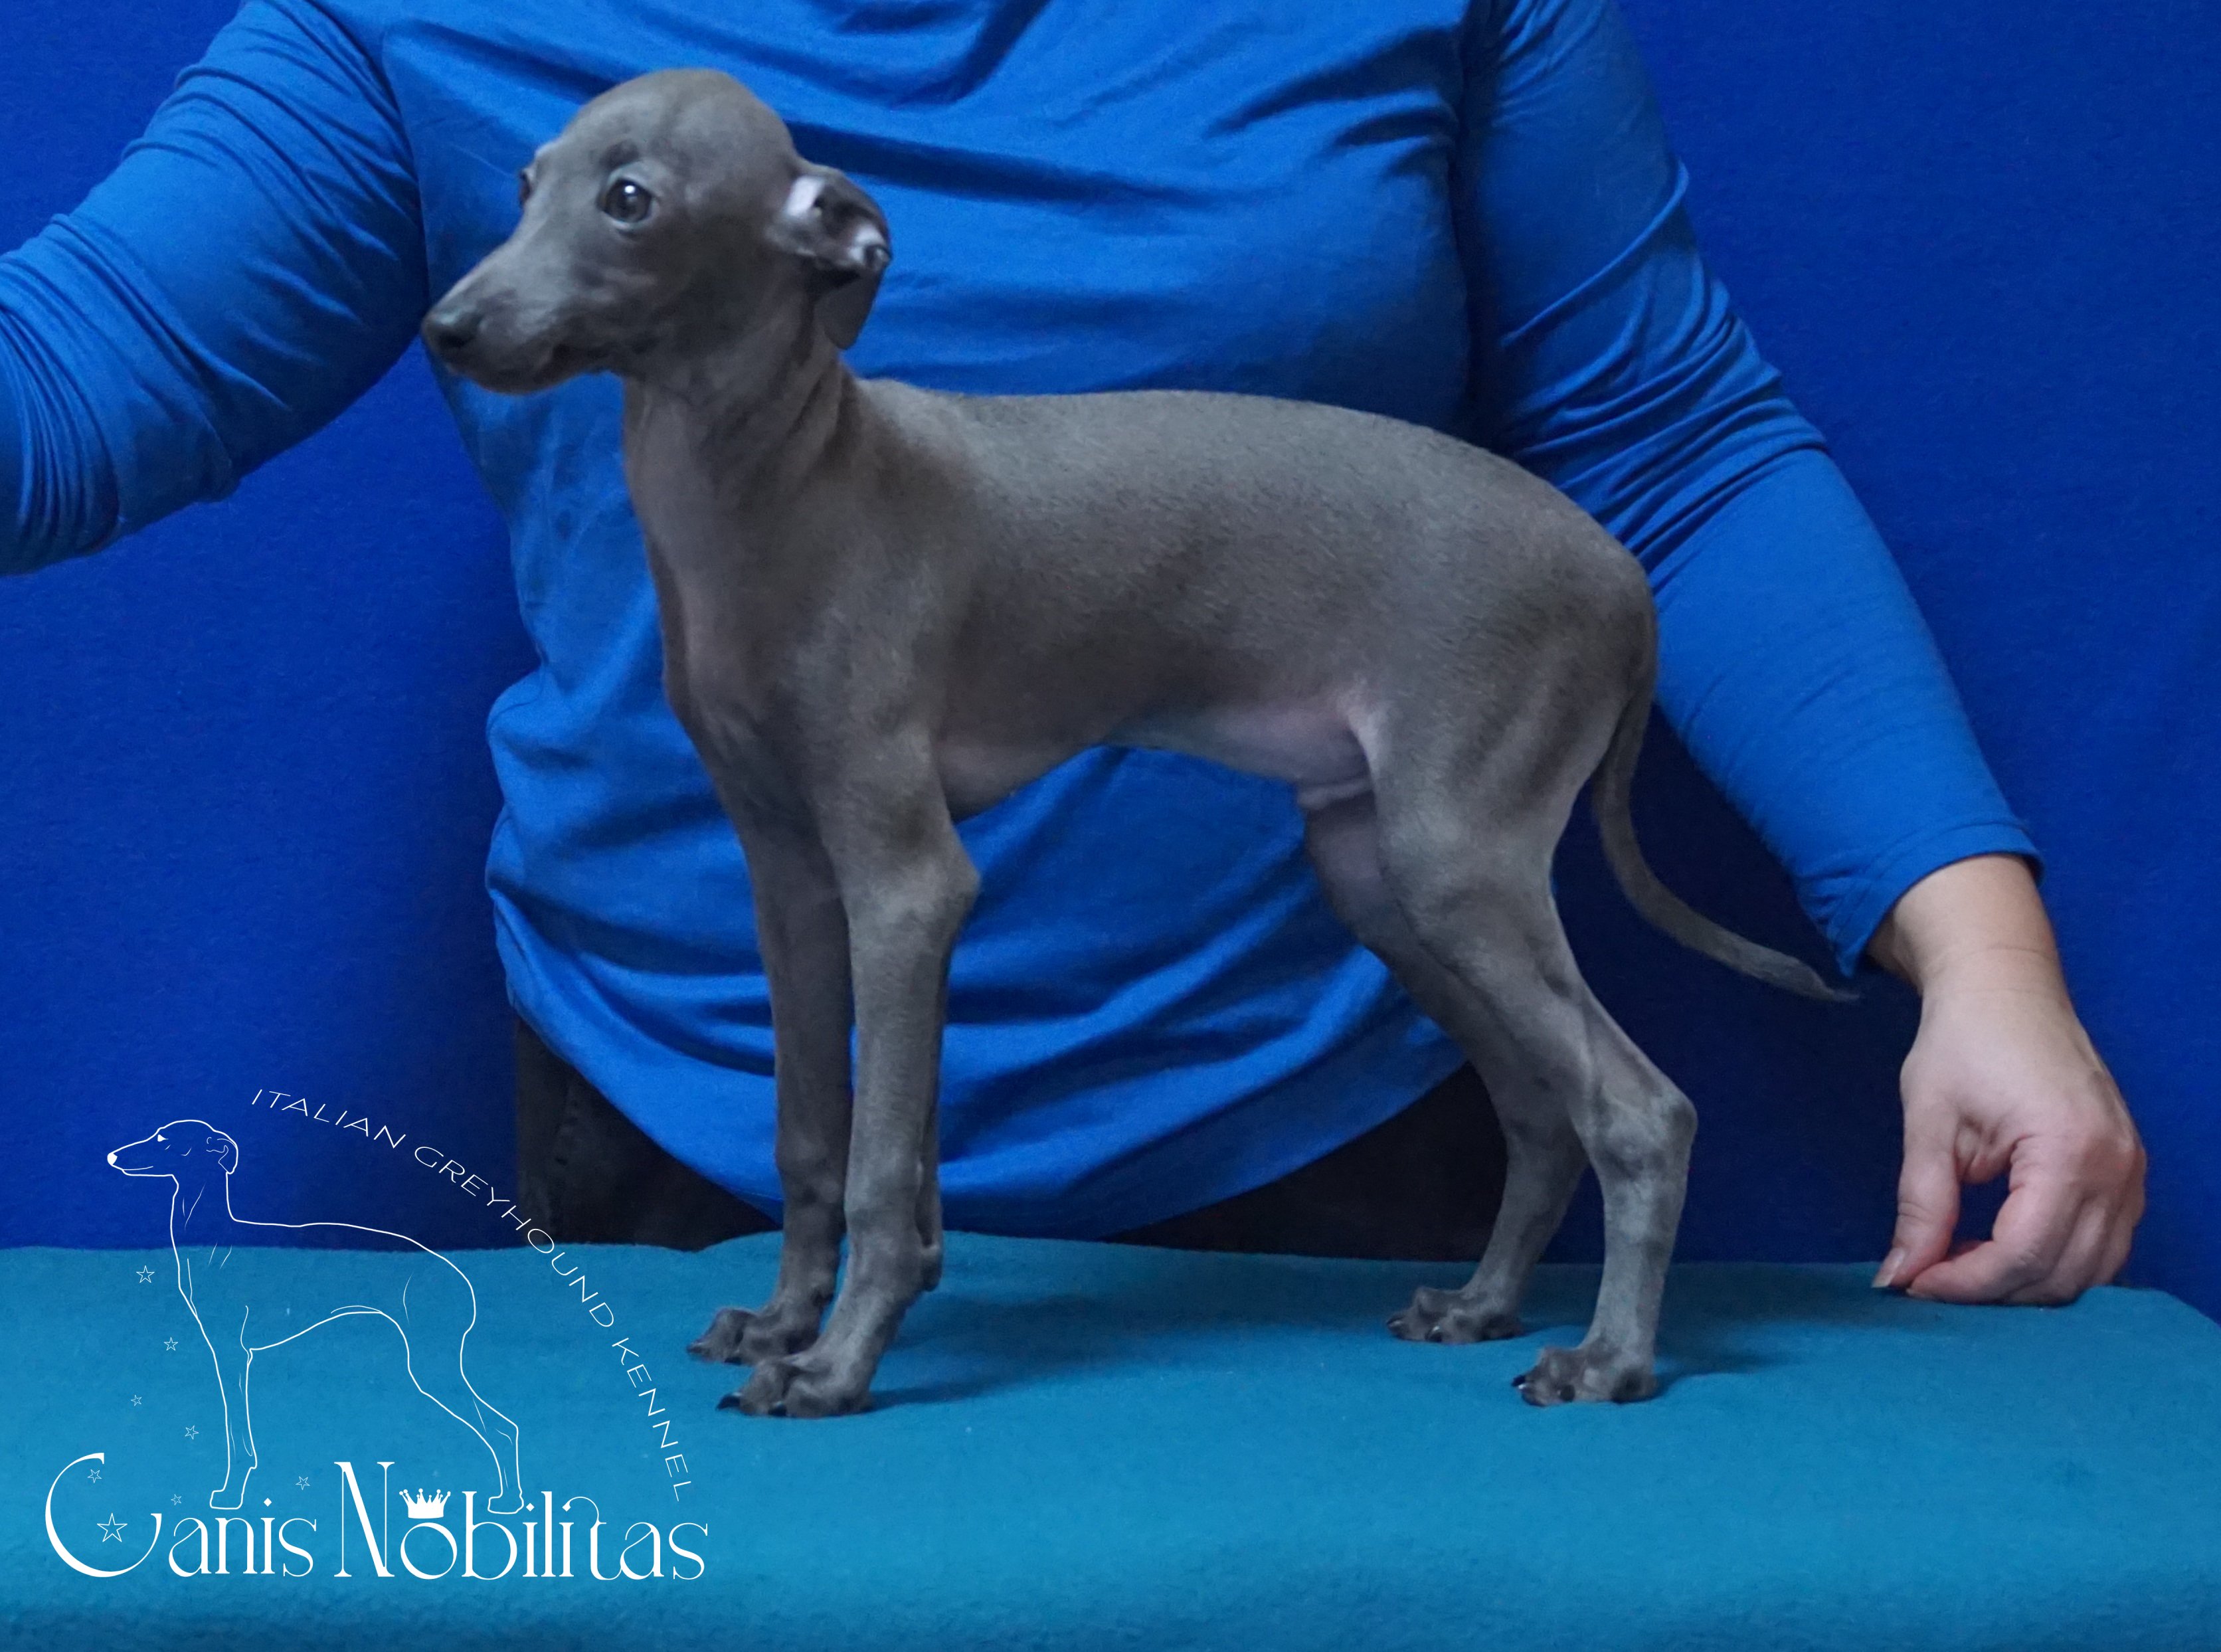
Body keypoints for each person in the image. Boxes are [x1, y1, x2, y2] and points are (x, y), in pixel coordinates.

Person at [0, 0, 2143, 1303]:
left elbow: (1665, 442)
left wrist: (1984, 957)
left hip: (1313, 1167)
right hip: (679, 1154)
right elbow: (80, 373)